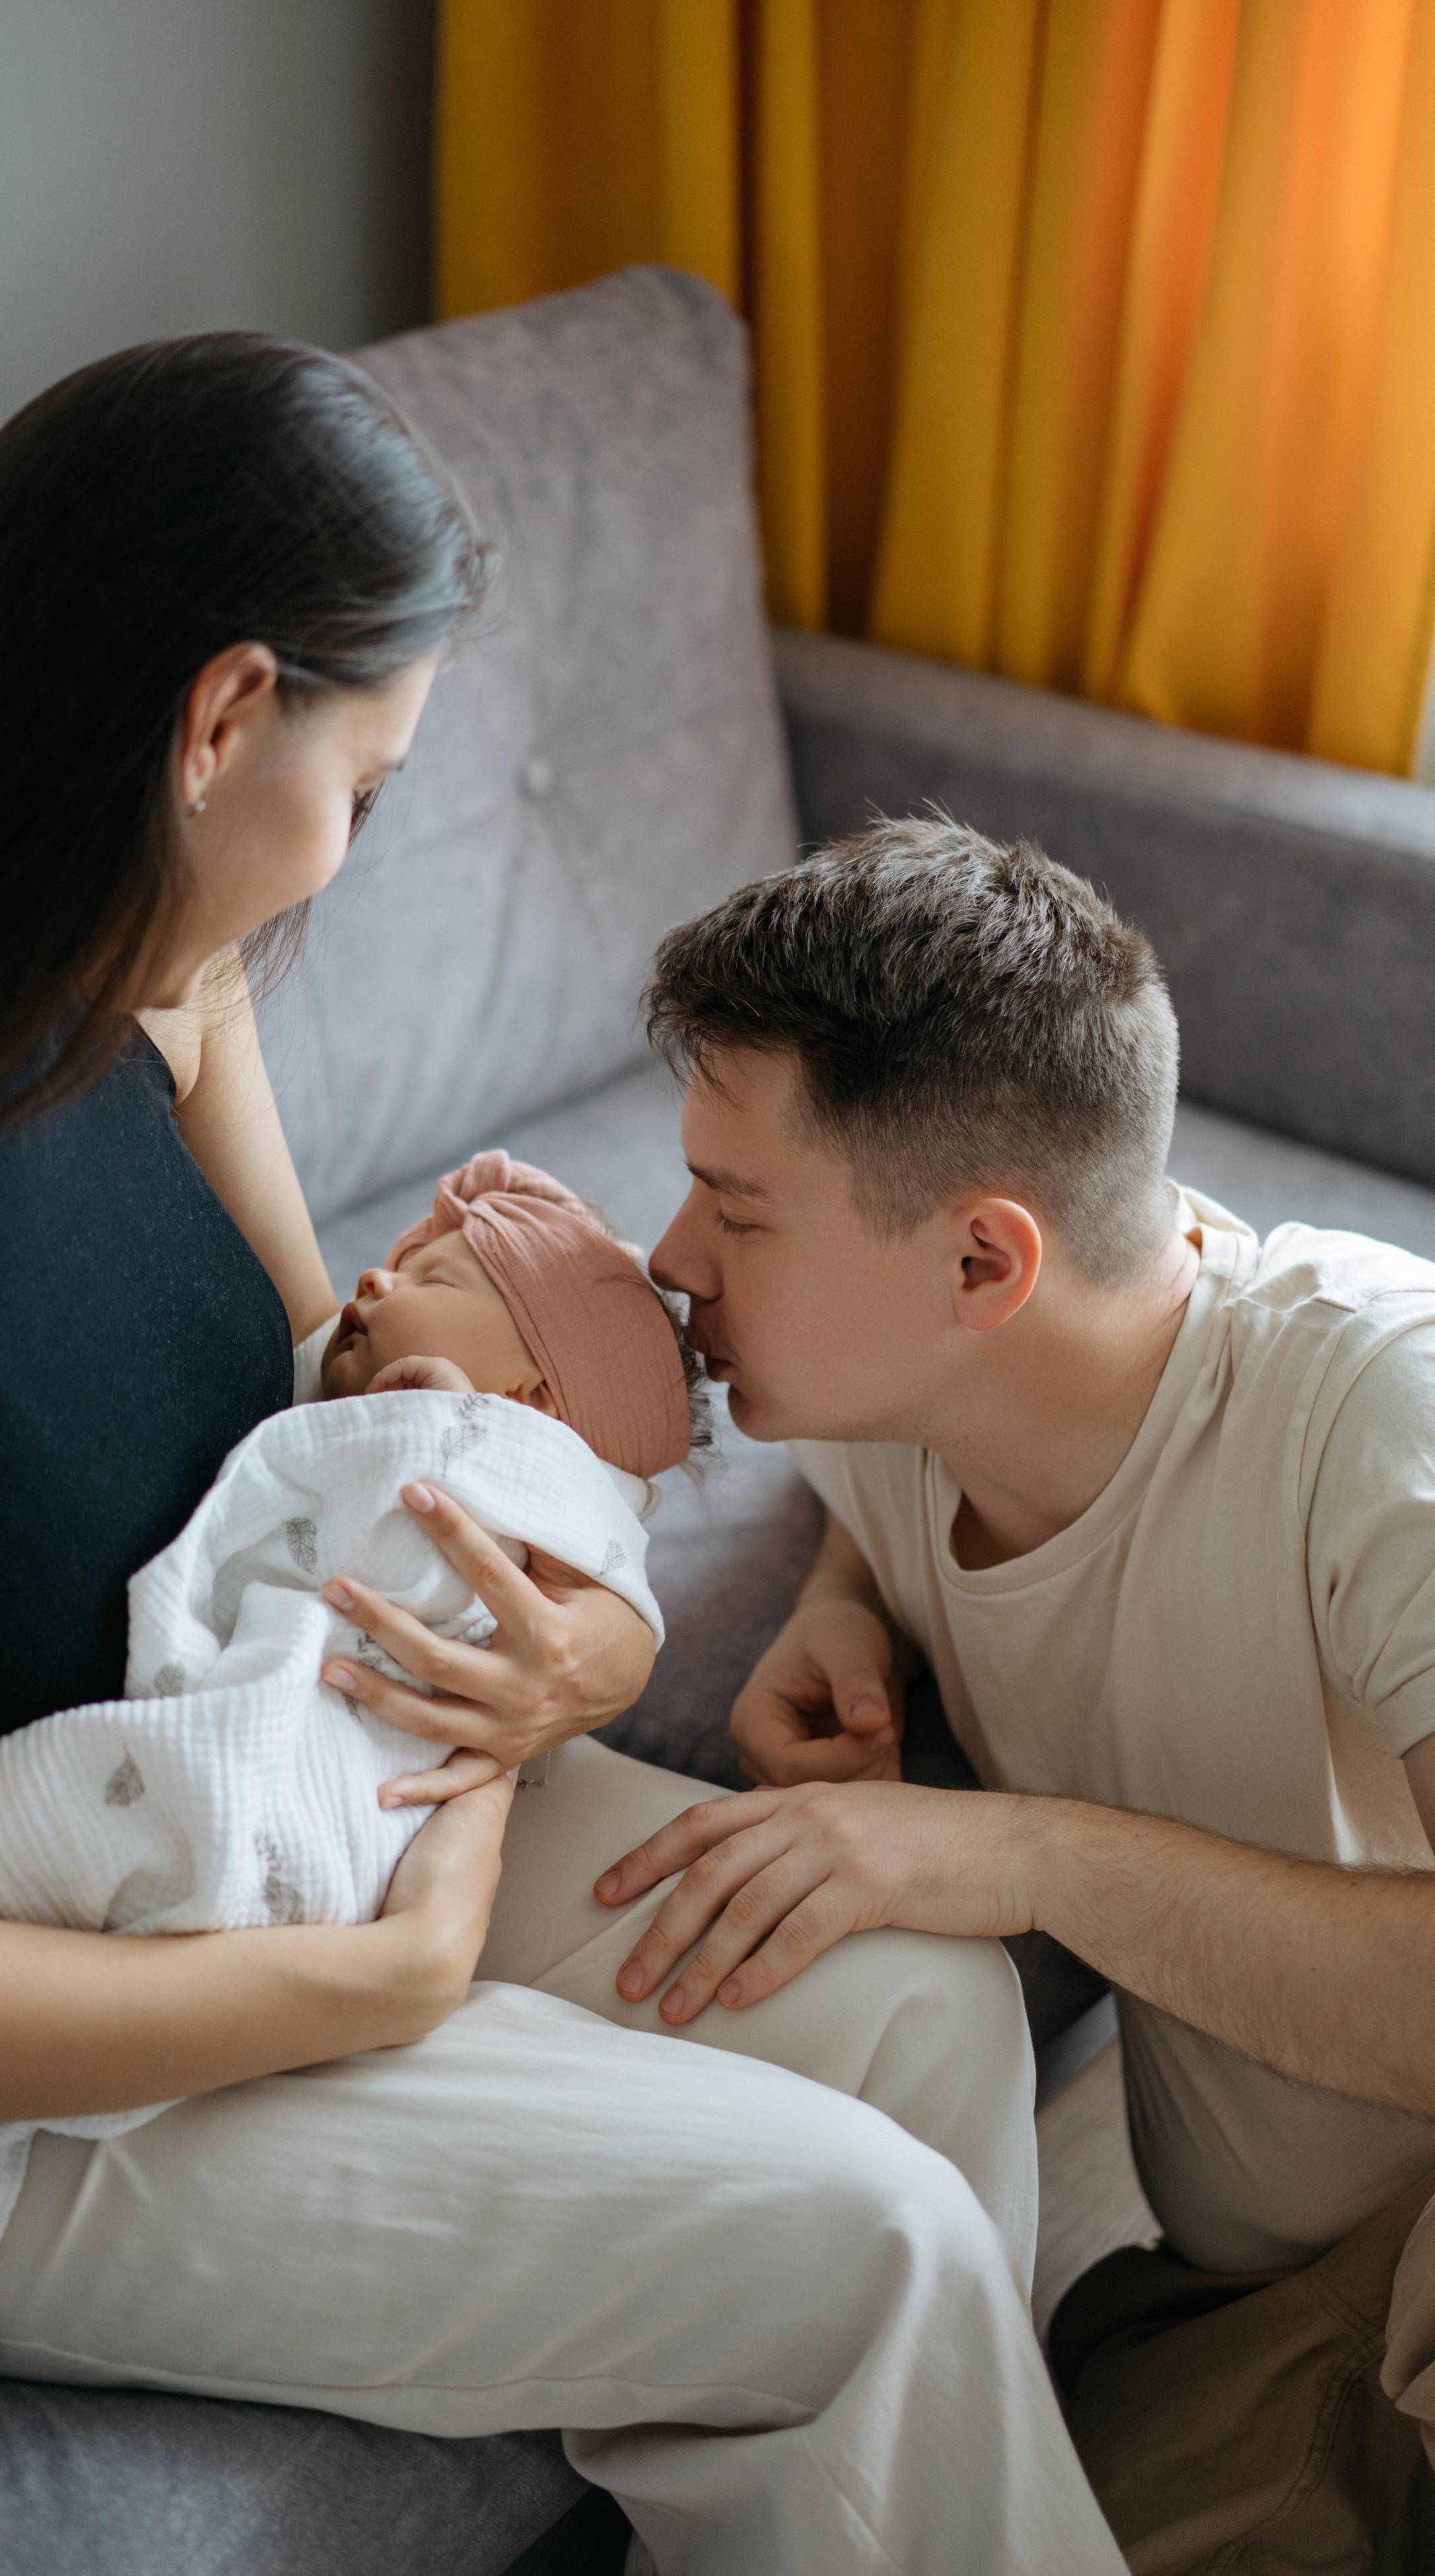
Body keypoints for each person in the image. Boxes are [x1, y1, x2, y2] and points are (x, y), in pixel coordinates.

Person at [0, 341, 1126, 2575]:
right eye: (362, 788)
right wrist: (377, 1978)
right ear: (220, 719)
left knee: (924, 2011)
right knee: (868, 2244)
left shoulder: (160, 983)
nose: (349, 856)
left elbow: (341, 1387)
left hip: (251, 1768)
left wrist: (584, 1650)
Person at [604, 817, 1435, 2569]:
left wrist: (1021, 1855)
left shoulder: (1378, 1412)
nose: (673, 1257)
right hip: (1240, 2305)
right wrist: (846, 1605)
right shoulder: (896, 1403)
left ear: (986, 1263)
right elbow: (898, 1512)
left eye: (736, 1212)